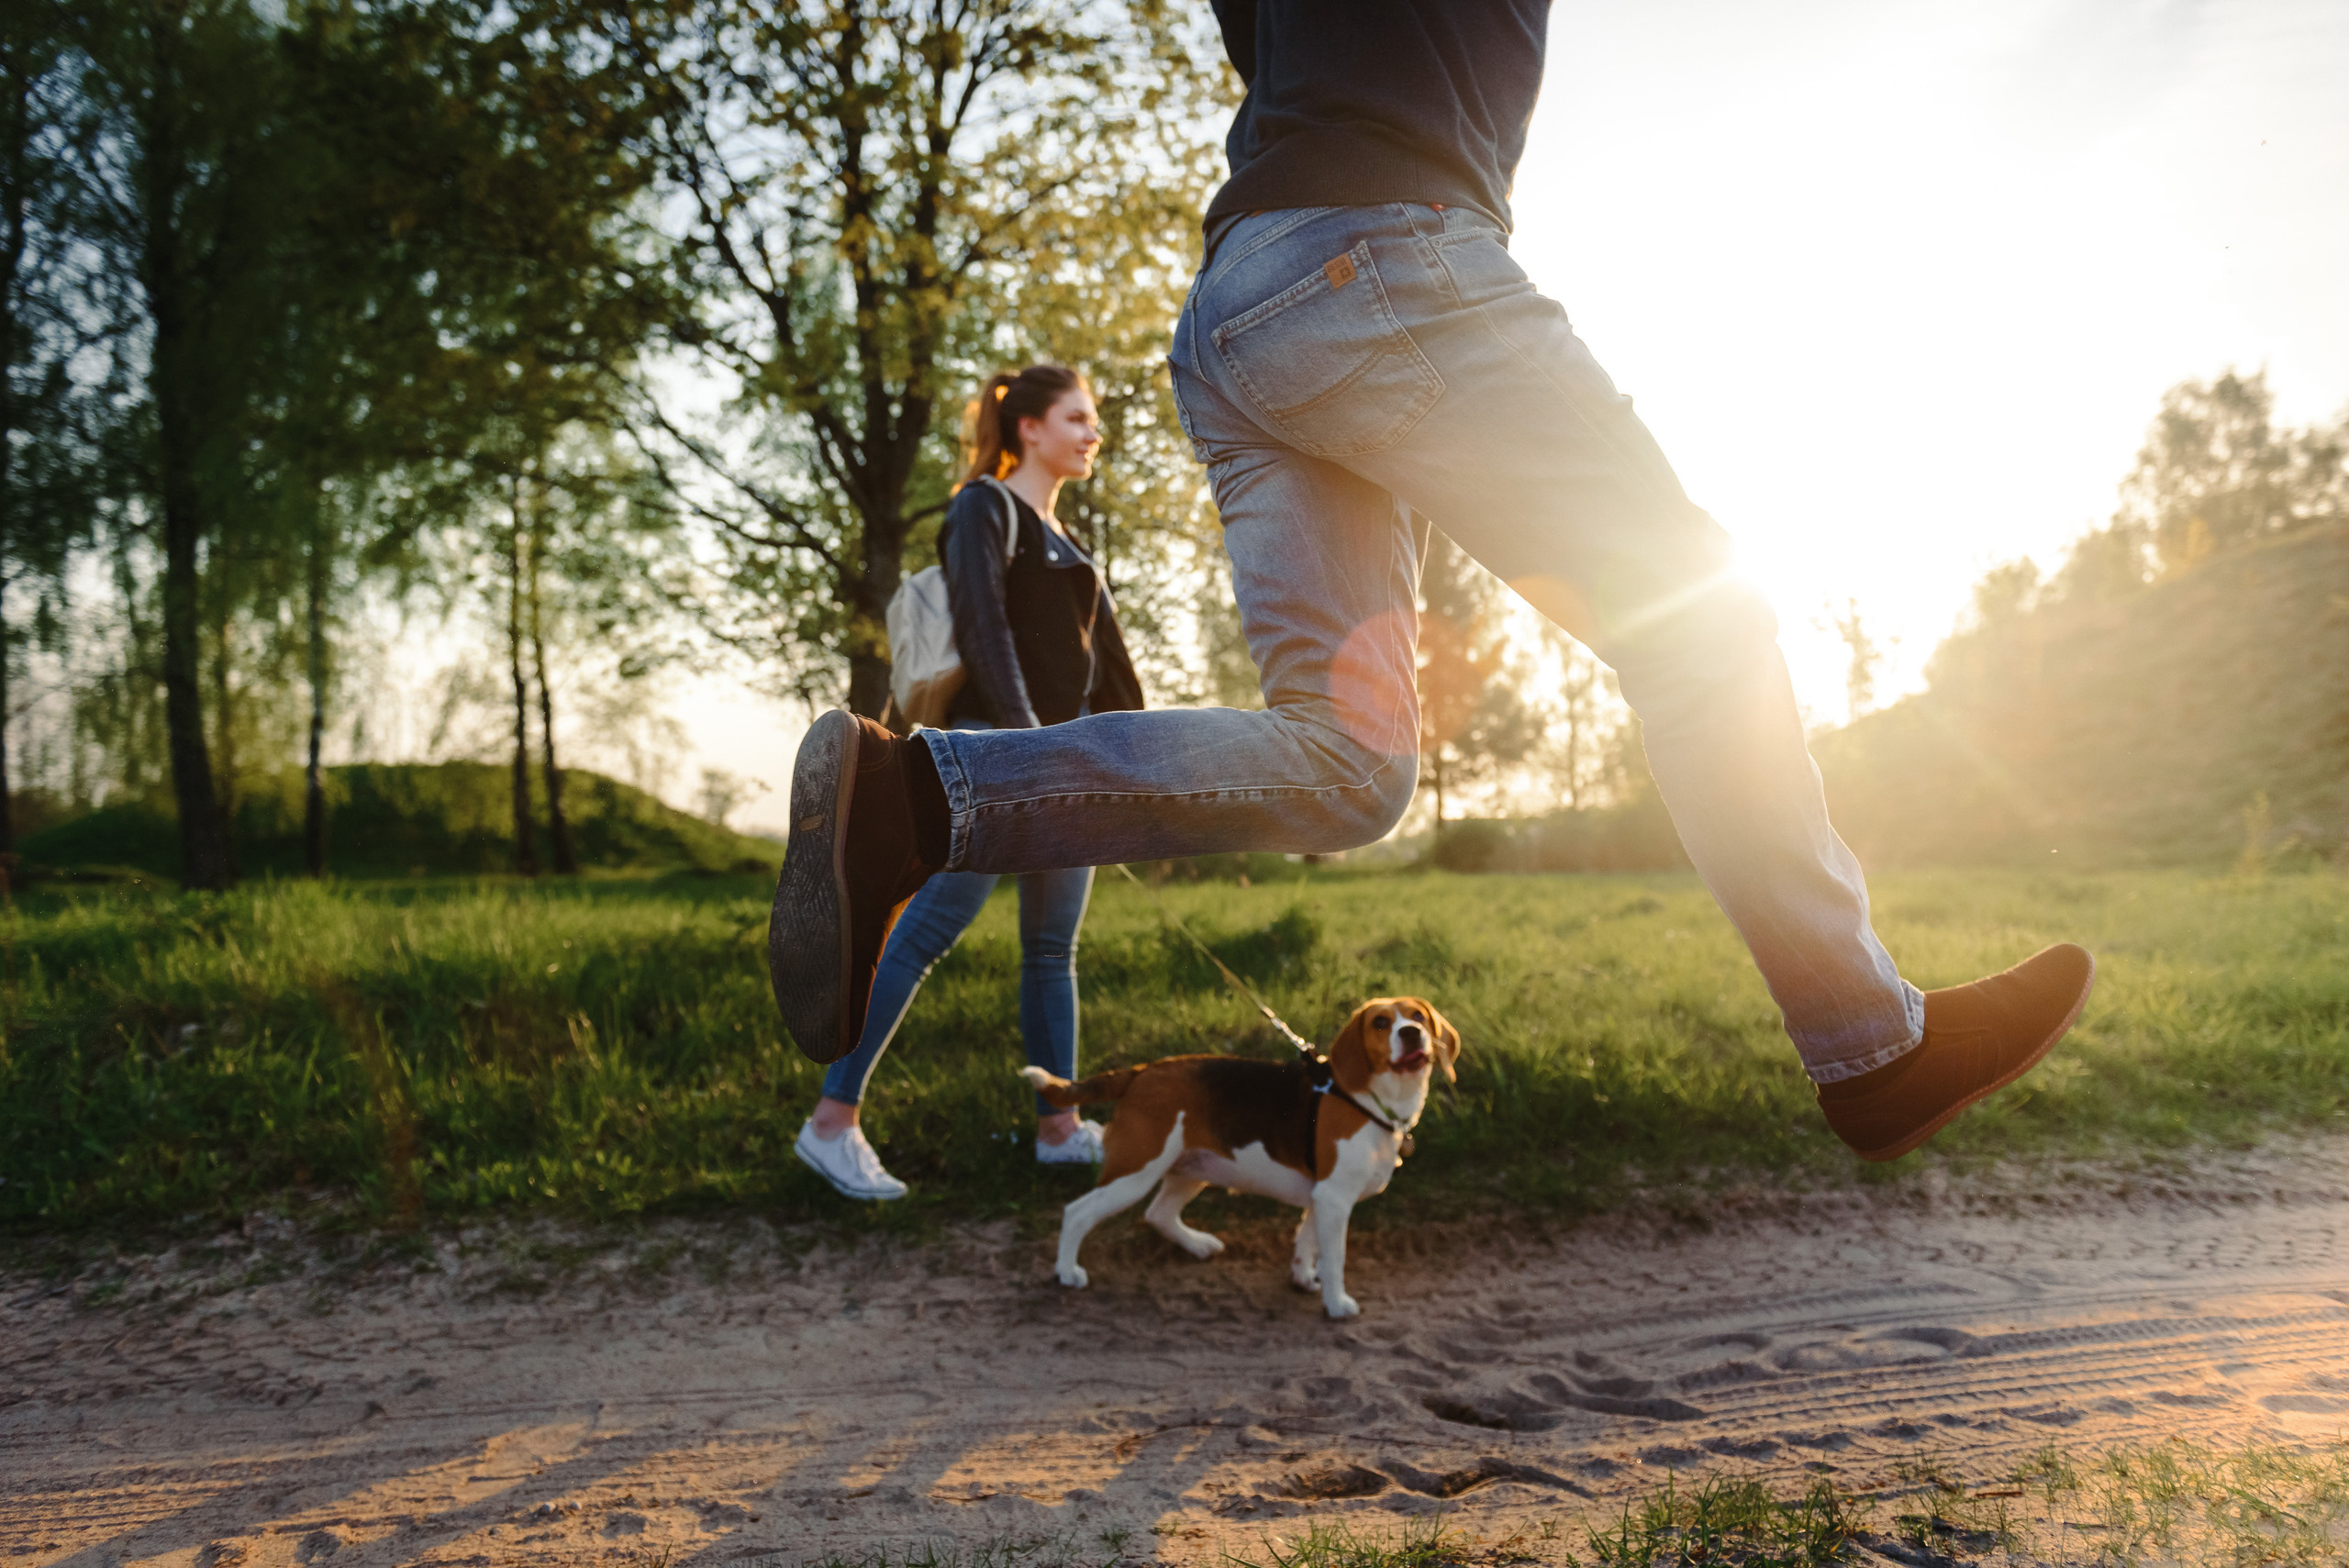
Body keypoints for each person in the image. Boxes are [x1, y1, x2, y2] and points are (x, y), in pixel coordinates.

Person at [768, 0, 2096, 1165]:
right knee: (1702, 623)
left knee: (1352, 766)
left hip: (1240, 308)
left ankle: (913, 799)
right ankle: (1870, 1044)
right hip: (1381, 253)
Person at [791, 365, 1147, 1201]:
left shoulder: (1071, 544)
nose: (1092, 433)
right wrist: (1026, 752)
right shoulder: (983, 508)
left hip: (1067, 764)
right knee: (921, 933)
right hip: (990, 755)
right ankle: (830, 1124)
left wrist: (1125, 768)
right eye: (1077, 418)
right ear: (1030, 428)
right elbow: (986, 634)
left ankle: (1059, 1127)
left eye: (1091, 420)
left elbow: (1115, 679)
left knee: (1052, 948)